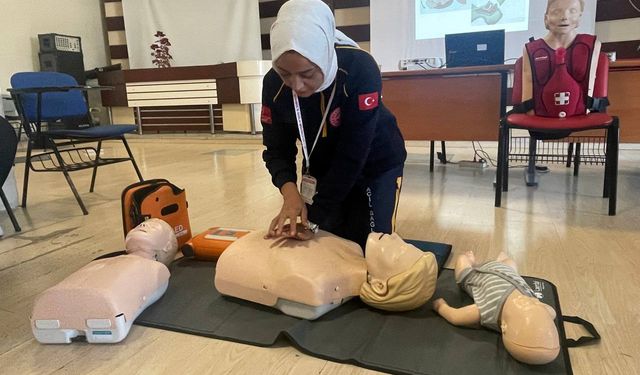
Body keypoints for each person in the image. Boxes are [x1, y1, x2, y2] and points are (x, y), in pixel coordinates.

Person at [261, 0, 407, 250]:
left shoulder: (359, 68)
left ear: (324, 55)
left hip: (374, 164)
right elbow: (276, 149)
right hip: (322, 168)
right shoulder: (273, 84)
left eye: (306, 74)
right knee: (328, 246)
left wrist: (316, 217)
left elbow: (353, 154)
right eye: (285, 73)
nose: (296, 85)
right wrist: (290, 193)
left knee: (373, 248)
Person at [433, 251, 560, 365]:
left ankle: (470, 261)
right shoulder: (539, 305)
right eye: (535, 304)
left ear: (503, 326)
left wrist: (441, 307)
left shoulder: (488, 310)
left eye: (525, 305)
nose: (531, 301)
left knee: (462, 261)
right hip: (507, 271)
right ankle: (499, 260)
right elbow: (552, 312)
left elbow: (456, 317)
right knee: (509, 260)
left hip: (474, 275)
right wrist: (544, 315)